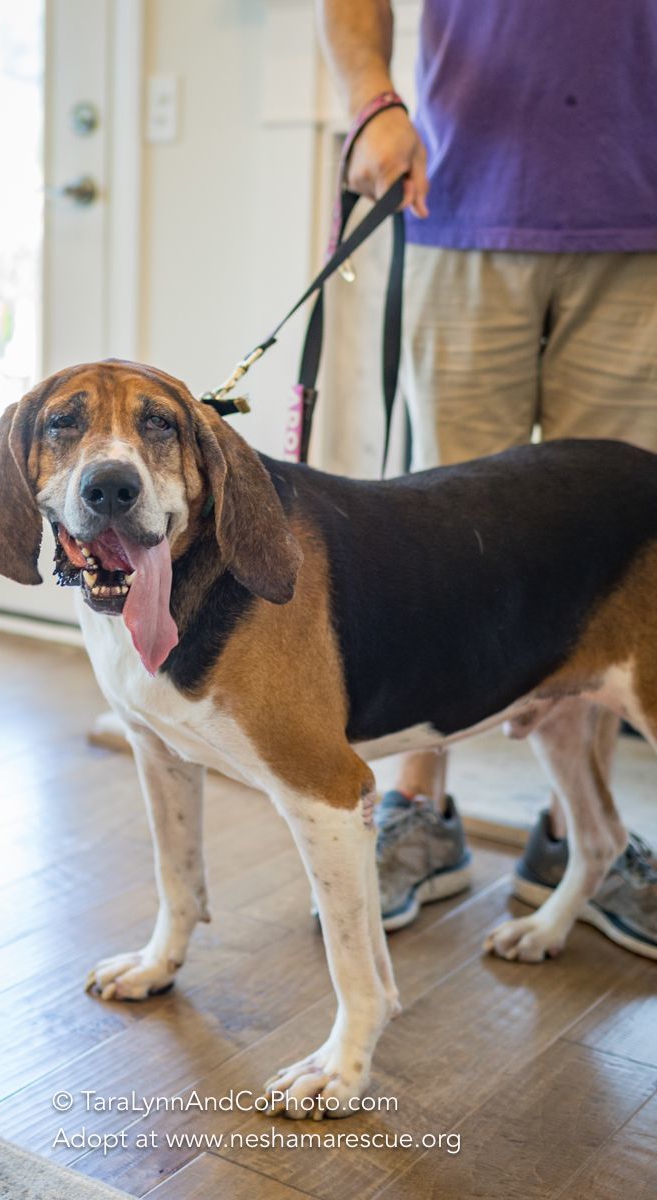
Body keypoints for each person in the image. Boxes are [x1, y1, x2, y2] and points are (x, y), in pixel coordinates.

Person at [316, 0, 657, 957]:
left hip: (645, 226)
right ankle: (420, 813)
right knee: (441, 543)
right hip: (464, 207)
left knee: (612, 565)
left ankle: (581, 836)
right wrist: (371, 98)